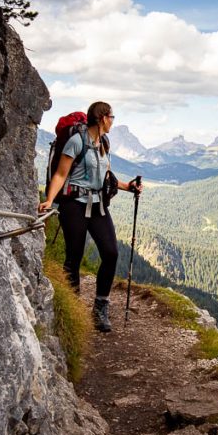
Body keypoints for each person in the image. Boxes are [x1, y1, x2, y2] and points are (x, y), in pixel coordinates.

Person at [38, 101, 142, 332]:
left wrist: (129, 187)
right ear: (102, 118)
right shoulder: (76, 141)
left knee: (111, 253)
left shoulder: (103, 142)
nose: (113, 121)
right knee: (73, 257)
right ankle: (73, 309)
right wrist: (49, 199)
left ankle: (100, 308)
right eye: (111, 117)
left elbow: (105, 174)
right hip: (74, 205)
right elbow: (61, 174)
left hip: (97, 205)